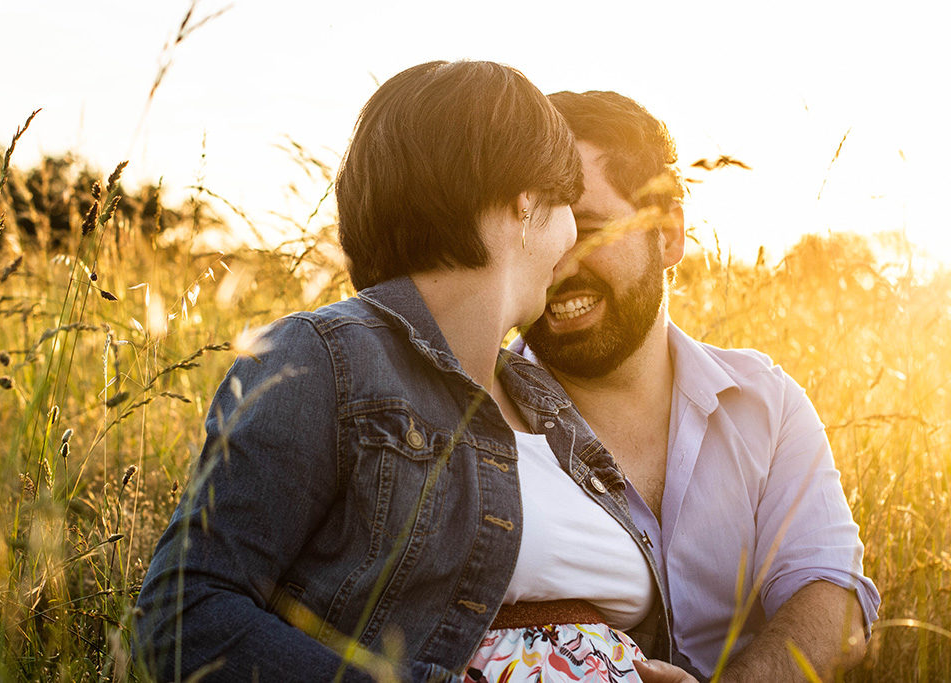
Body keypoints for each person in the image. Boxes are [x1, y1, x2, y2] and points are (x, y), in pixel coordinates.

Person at [133, 62, 695, 682]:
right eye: (570, 209)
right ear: (525, 201)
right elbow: (182, 619)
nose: (571, 246)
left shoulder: (545, 399)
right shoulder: (324, 358)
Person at [513, 90, 881, 681]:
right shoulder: (470, 419)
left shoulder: (769, 405)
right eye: (539, 237)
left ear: (669, 235)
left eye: (587, 229)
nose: (559, 267)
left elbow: (833, 599)